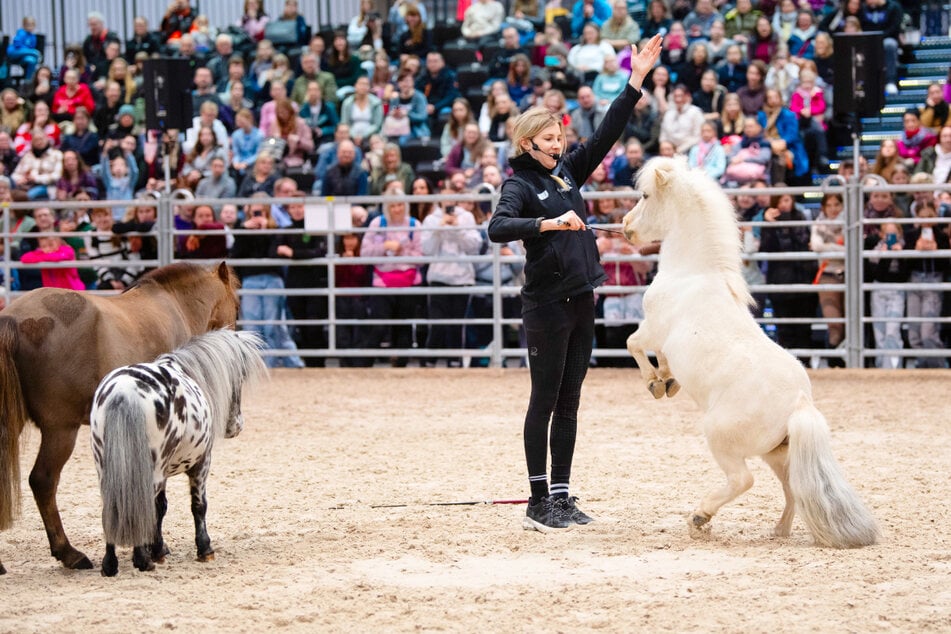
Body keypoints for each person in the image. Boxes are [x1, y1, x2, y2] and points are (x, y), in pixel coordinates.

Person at [487, 34, 662, 531]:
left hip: (582, 298)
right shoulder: (518, 185)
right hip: (546, 305)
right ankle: (537, 501)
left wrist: (635, 80)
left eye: (559, 137)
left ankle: (561, 496)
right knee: (543, 400)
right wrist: (547, 224)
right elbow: (497, 228)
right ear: (527, 144)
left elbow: (606, 134)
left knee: (570, 400)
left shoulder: (566, 174)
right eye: (548, 139)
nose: (557, 143)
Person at [229, 195, 306, 368]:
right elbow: (235, 256)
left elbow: (274, 254)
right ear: (248, 211)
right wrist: (244, 231)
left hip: (272, 279)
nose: (257, 215)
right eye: (254, 211)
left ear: (267, 212)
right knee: (251, 325)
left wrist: (266, 232)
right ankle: (254, 366)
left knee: (273, 325)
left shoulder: (276, 230)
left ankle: (271, 365)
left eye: (261, 211)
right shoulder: (242, 231)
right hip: (250, 280)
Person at [360, 180, 425, 367]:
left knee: (404, 325)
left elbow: (421, 256)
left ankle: (401, 364)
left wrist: (402, 253)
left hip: (409, 281)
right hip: (382, 281)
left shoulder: (414, 225)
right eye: (393, 205)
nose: (397, 209)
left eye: (400, 205)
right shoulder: (377, 223)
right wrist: (385, 247)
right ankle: (365, 364)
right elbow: (365, 253)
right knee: (378, 325)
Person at [420, 189, 483, 367]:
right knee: (437, 323)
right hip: (438, 277)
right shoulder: (431, 219)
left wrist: (457, 229)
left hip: (462, 278)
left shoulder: (466, 217)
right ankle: (430, 360)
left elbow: (474, 247)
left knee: (457, 325)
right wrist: (438, 230)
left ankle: (454, 361)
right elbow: (427, 250)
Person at [759, 188, 817, 364]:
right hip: (781, 280)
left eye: (788, 200)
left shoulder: (801, 217)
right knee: (785, 327)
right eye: (782, 201)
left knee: (804, 327)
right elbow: (766, 248)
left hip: (803, 277)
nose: (785, 204)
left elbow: (805, 243)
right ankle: (788, 364)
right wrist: (768, 223)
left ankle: (805, 363)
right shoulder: (768, 221)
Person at [272, 192, 329, 367]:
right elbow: (274, 250)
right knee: (300, 324)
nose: (297, 210)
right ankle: (308, 361)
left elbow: (320, 252)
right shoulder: (287, 230)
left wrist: (293, 253)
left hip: (316, 281)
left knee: (314, 325)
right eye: (293, 207)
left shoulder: (317, 229)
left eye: (300, 206)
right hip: (296, 282)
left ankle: (318, 363)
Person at [903, 201, 949, 368]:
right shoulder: (910, 236)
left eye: (930, 216)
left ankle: (937, 366)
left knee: (928, 331)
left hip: (934, 280)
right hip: (914, 281)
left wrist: (937, 251)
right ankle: (921, 365)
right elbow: (905, 267)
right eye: (922, 217)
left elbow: (946, 267)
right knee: (914, 332)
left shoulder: (943, 237)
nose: (926, 220)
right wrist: (915, 250)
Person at [865, 221, 910, 368]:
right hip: (878, 289)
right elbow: (877, 274)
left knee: (893, 330)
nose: (891, 237)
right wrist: (886, 256)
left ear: (899, 234)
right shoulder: (875, 251)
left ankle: (894, 367)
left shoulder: (905, 249)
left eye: (894, 233)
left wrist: (900, 255)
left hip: (896, 290)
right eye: (887, 233)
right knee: (879, 331)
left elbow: (904, 275)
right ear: (881, 235)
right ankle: (881, 367)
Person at [809, 192, 847, 367]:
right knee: (834, 322)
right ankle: (833, 361)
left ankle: (849, 361)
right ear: (823, 207)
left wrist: (827, 247)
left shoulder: (850, 223)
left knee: (850, 321)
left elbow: (851, 250)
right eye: (829, 205)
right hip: (827, 276)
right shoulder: (818, 224)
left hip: (849, 275)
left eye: (836, 204)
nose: (833, 209)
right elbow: (816, 246)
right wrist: (836, 247)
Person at [20, 236, 85, 291]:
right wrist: (44, 257)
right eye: (44, 246)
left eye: (51, 245)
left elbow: (58, 257)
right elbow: (24, 258)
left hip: (73, 291)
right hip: (53, 292)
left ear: (58, 242)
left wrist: (41, 258)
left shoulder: (67, 250)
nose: (48, 249)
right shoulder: (41, 252)